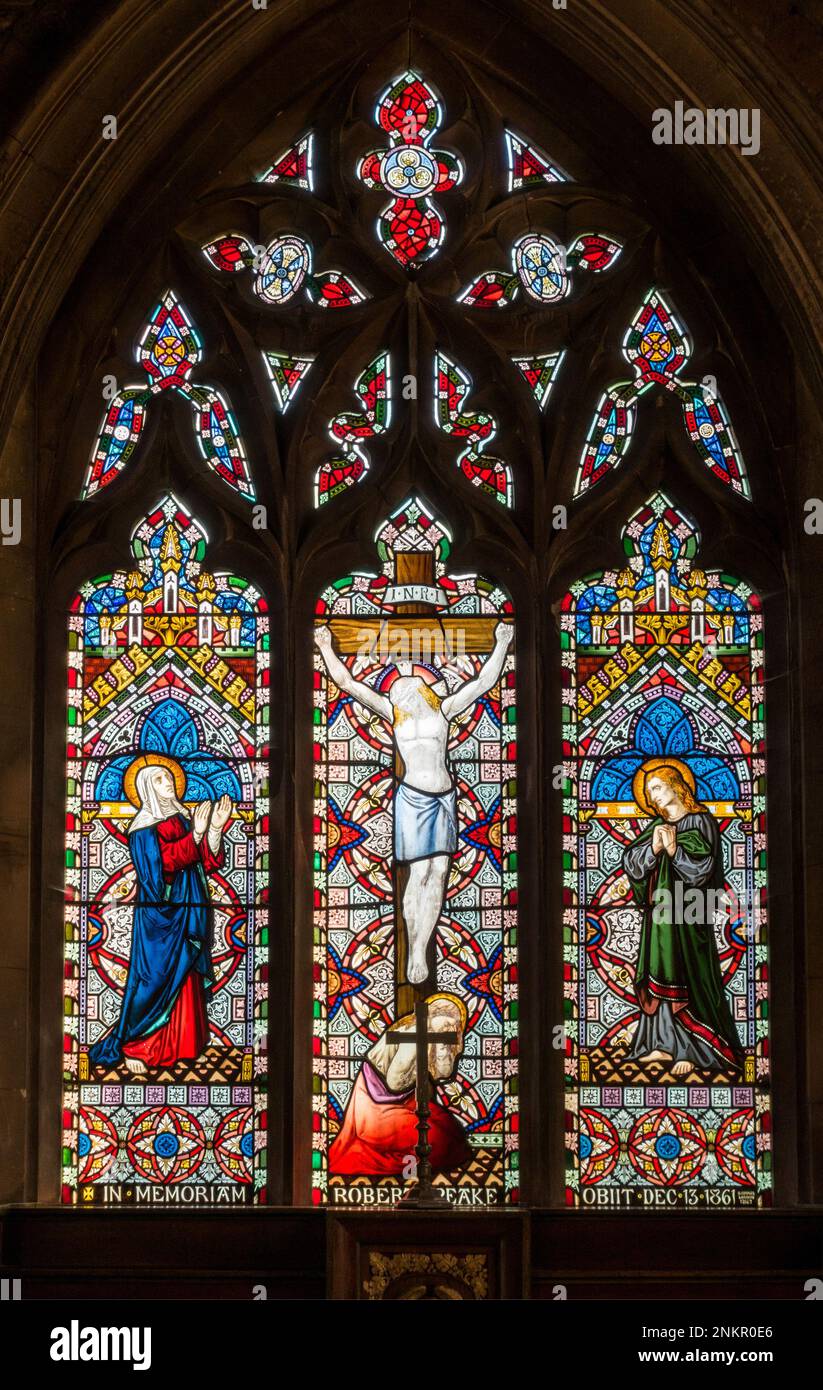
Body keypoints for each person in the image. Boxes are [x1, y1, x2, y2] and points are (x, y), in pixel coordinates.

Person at [315, 621, 513, 983]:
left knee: (439, 873)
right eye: (399, 692)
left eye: (407, 689)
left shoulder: (445, 710)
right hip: (413, 798)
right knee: (418, 873)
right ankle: (414, 948)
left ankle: (422, 945)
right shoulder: (396, 716)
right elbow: (348, 684)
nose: (402, 694)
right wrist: (326, 646)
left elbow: (484, 683)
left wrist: (502, 642)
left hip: (444, 798)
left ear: (423, 690)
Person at [88, 756, 233, 1072]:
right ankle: (137, 1045)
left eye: (170, 779)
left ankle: (183, 1045)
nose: (168, 784)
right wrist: (194, 835)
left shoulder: (182, 819)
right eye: (160, 780)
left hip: (187, 912)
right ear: (145, 790)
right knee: (153, 979)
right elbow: (162, 866)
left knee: (184, 978)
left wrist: (214, 830)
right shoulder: (141, 829)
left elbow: (204, 862)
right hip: (158, 918)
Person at [622, 758, 744, 1075]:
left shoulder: (700, 821)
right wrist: (655, 848)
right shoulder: (656, 827)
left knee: (691, 973)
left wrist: (675, 850)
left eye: (658, 788)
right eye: (649, 792)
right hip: (659, 917)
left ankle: (695, 1048)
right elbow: (633, 863)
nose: (653, 796)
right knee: (658, 971)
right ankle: (661, 1045)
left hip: (689, 915)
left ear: (677, 786)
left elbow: (704, 869)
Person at [329, 994, 470, 1176]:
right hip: (375, 1109)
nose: (450, 1028)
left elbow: (443, 1073)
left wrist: (443, 1049)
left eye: (454, 1025)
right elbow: (394, 1083)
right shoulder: (412, 1034)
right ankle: (410, 1172)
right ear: (432, 1017)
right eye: (445, 1024)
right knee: (437, 1140)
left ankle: (416, 1170)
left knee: (452, 1130)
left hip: (406, 1102)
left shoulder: (437, 1036)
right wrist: (422, 1069)